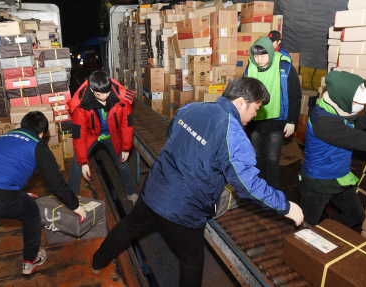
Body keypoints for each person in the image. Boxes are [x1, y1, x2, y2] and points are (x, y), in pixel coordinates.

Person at [90, 77, 304, 287]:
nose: (255, 114)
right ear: (240, 103)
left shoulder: (191, 108)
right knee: (191, 260)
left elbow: (171, 133)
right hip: (184, 209)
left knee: (128, 227)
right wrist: (284, 206)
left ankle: (97, 262)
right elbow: (247, 184)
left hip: (154, 189)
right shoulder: (234, 132)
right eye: (255, 108)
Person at [0, 112, 86, 274]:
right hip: (1, 198)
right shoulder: (38, 144)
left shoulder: (3, 136)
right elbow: (56, 184)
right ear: (42, 132)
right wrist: (75, 206)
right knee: (31, 213)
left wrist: (19, 195)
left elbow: (0, 167)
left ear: (22, 125)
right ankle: (30, 260)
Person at [300, 71, 366, 227]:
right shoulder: (324, 122)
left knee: (356, 215)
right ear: (343, 99)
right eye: (356, 101)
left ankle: (324, 236)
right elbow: (363, 141)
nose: (362, 105)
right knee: (306, 226)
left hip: (338, 176)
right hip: (318, 183)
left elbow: (354, 124)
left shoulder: (335, 109)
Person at [67, 71, 138, 204]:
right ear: (92, 90)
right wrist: (83, 162)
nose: (104, 96)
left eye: (107, 92)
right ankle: (71, 197)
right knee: (77, 162)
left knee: (123, 162)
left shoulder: (123, 99)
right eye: (99, 94)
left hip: (112, 134)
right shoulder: (81, 105)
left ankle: (131, 193)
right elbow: (79, 135)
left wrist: (126, 148)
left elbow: (127, 125)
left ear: (110, 87)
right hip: (91, 134)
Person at [244, 36, 302, 189]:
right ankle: (260, 189)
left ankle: (273, 190)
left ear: (270, 52)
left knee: (272, 159)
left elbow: (295, 94)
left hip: (277, 121)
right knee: (257, 157)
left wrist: (292, 121)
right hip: (256, 120)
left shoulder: (284, 65)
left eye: (263, 55)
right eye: (255, 55)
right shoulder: (249, 67)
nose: (259, 59)